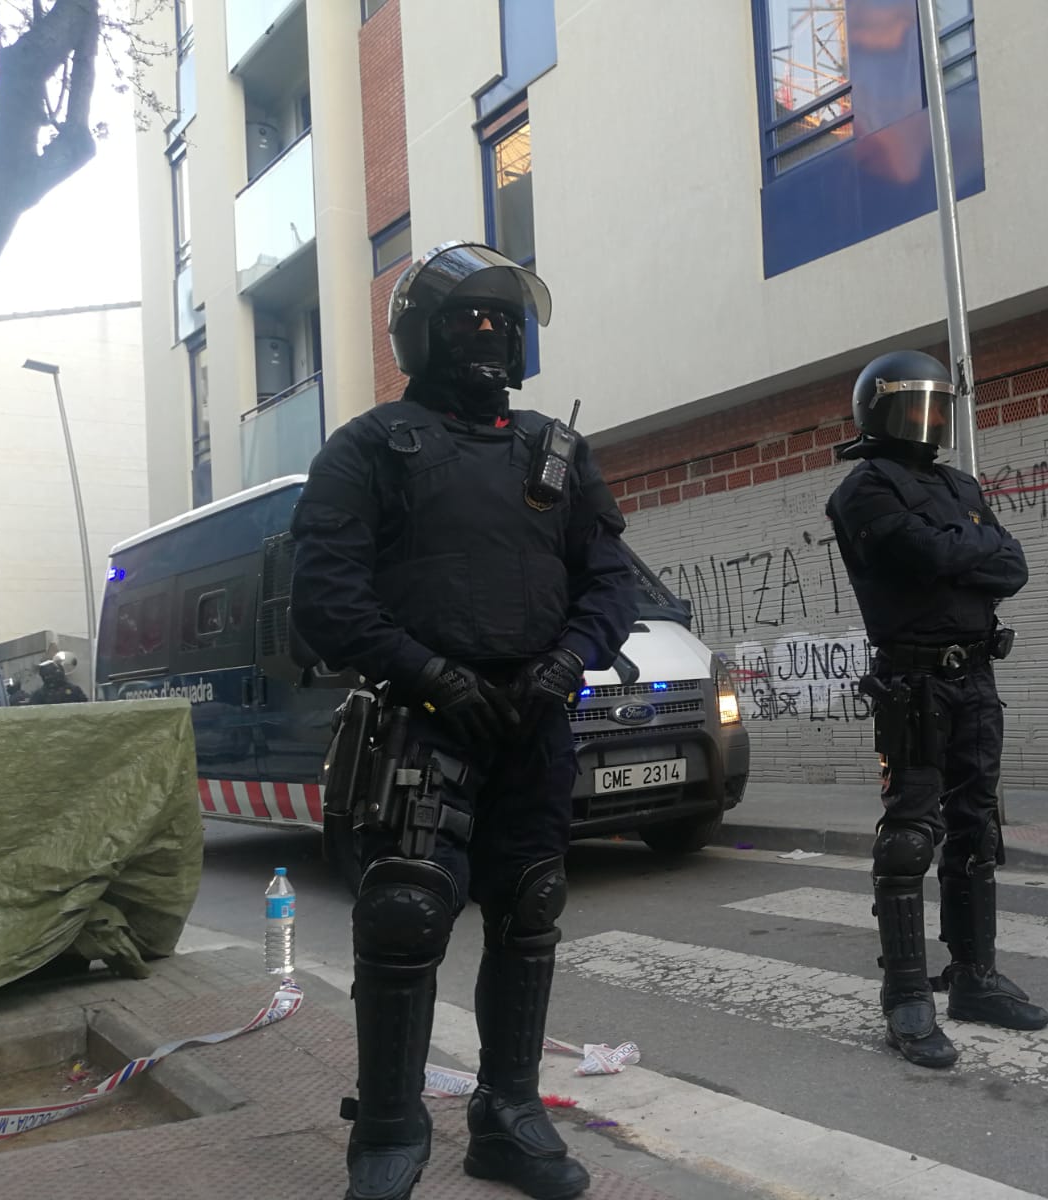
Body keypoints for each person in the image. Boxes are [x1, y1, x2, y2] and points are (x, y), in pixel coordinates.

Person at [290, 241, 638, 1200]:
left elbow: (611, 583)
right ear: (420, 336)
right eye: (466, 318)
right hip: (419, 722)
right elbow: (326, 596)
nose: (488, 331)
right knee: (405, 913)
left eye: (502, 318)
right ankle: (389, 1131)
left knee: (530, 914)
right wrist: (433, 675)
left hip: (534, 718)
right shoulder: (368, 446)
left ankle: (509, 1117)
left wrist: (566, 665)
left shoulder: (556, 455)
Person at [825, 350, 1048, 1071]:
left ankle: (975, 977)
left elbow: (1011, 564)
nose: (929, 417)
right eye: (914, 402)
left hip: (976, 676)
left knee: (977, 831)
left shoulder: (960, 483)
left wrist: (965, 548)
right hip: (914, 681)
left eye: (938, 403)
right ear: (880, 408)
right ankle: (905, 994)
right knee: (910, 836)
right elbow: (916, 555)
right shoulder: (862, 489)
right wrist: (972, 547)